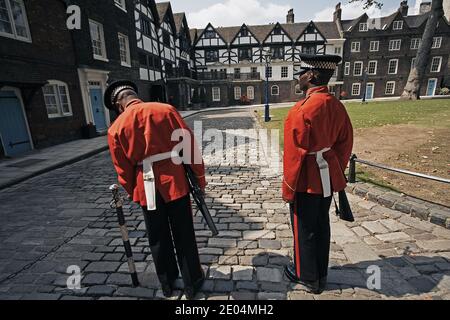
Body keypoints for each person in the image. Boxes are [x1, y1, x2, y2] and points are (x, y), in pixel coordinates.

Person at [104, 80, 206, 299]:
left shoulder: (116, 127)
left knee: (157, 236)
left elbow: (123, 170)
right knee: (184, 233)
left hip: (145, 185)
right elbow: (188, 146)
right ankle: (192, 282)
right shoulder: (166, 110)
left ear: (119, 105)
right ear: (134, 95)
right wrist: (199, 179)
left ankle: (167, 283)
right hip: (174, 179)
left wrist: (134, 191)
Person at [283, 54, 354, 294]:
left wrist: (288, 188)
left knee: (303, 227)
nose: (298, 76)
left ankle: (308, 277)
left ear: (311, 75)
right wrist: (334, 168)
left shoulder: (301, 110)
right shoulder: (337, 105)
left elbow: (294, 156)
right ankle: (321, 274)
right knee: (322, 225)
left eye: (302, 72)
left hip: (305, 179)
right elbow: (345, 144)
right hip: (326, 179)